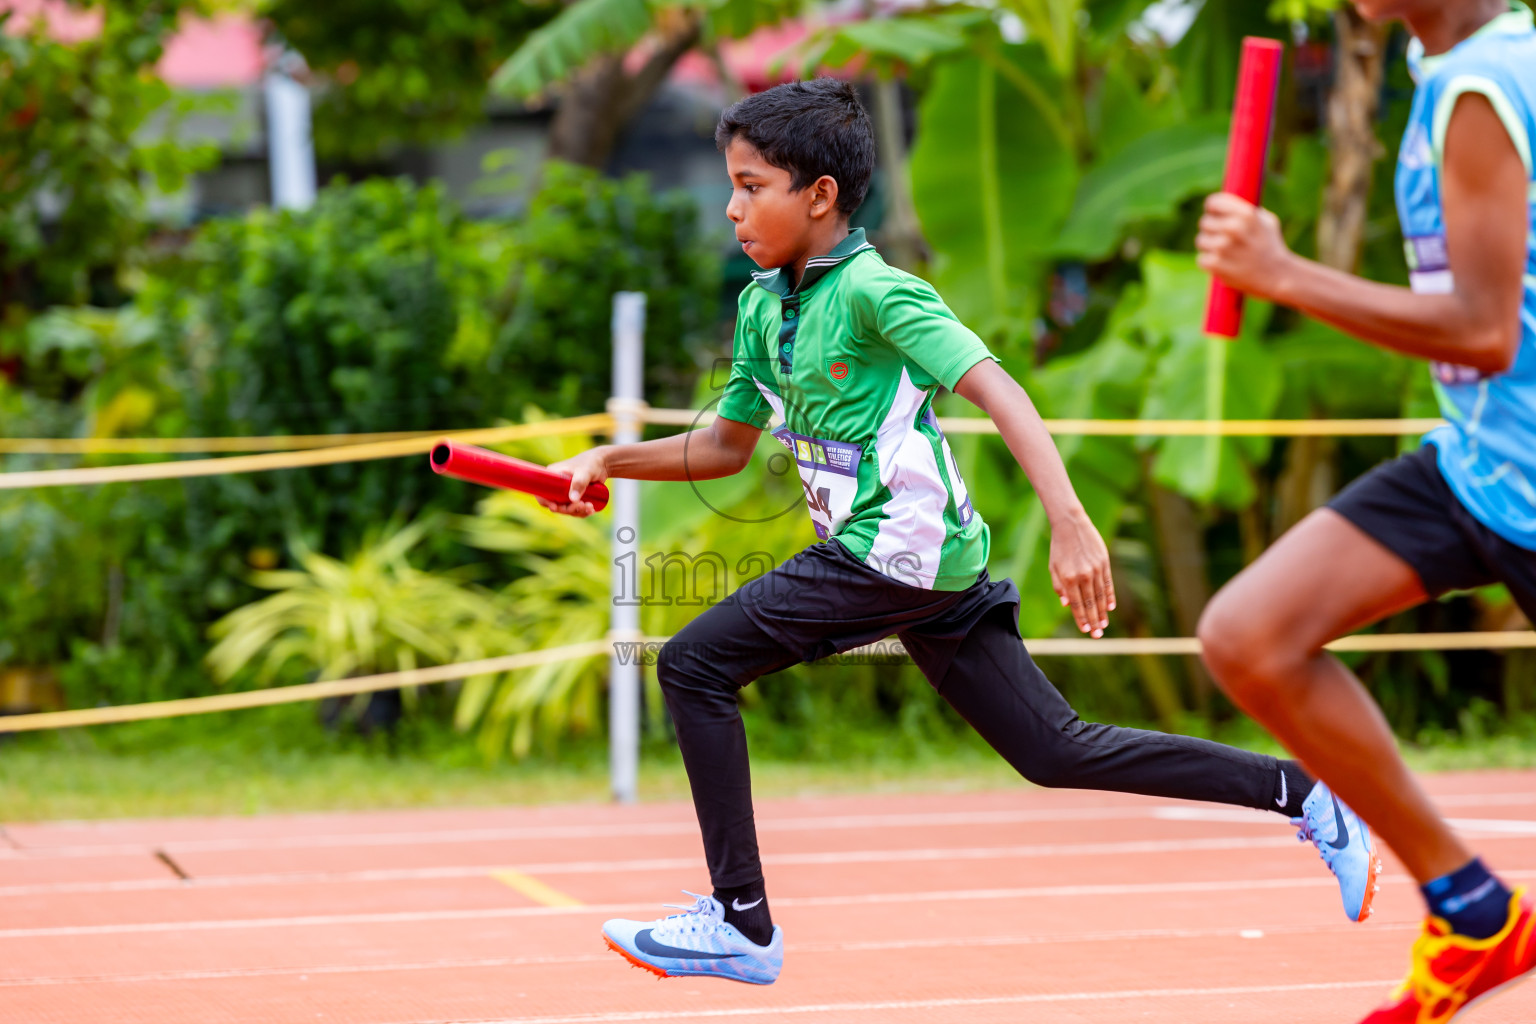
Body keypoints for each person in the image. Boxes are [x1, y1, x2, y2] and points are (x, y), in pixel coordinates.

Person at [540, 78, 1368, 987]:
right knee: (1055, 751)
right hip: (926, 563)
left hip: (896, 547)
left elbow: (997, 388)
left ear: (820, 197)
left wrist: (1070, 520)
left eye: (752, 186)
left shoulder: (878, 292)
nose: (732, 208)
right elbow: (728, 445)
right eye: (730, 186)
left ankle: (743, 924)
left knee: (693, 662)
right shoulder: (760, 308)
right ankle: (1307, 793)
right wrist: (610, 463)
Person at [1194, 2, 1536, 1020]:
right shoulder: (1450, 74)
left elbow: (1483, 331)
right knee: (1251, 635)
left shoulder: (1486, 83)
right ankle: (1474, 911)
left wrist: (1284, 275)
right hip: (1482, 469)